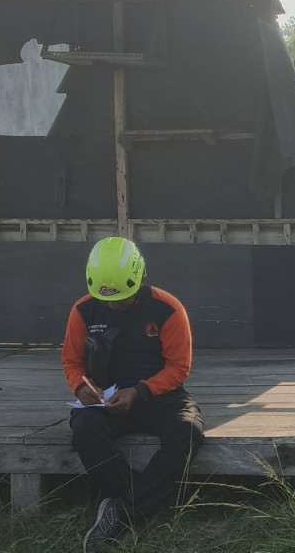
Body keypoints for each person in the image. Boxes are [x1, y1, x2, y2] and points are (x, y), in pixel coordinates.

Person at [61, 236, 204, 552]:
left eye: (121, 298)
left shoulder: (168, 309)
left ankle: (122, 512)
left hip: (159, 395)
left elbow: (179, 367)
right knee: (84, 430)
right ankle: (140, 504)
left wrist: (141, 391)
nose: (113, 305)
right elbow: (72, 362)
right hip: (105, 398)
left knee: (189, 431)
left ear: (139, 279)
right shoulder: (83, 311)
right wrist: (82, 387)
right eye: (106, 299)